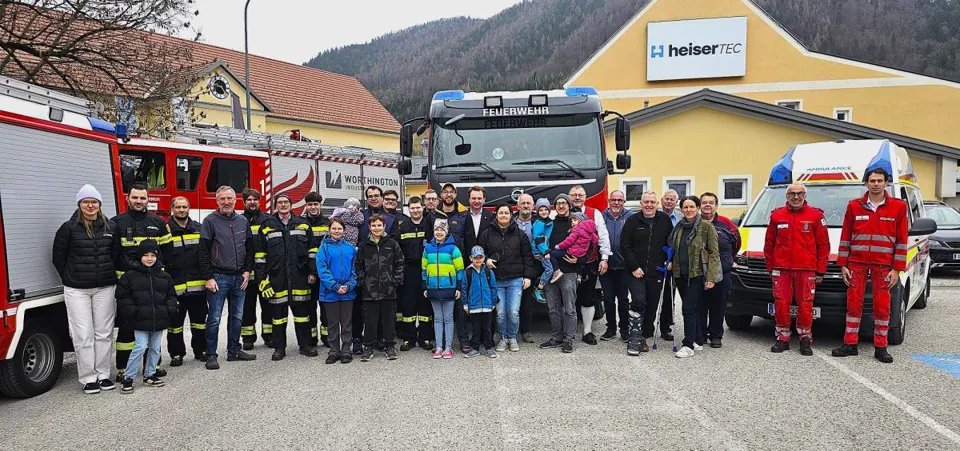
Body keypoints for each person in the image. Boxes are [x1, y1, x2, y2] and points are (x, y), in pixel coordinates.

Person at [833, 168, 908, 363]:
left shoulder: (898, 207)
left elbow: (901, 240)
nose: (876, 184)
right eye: (872, 181)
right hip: (856, 263)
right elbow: (845, 238)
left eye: (880, 181)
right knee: (853, 304)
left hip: (883, 265)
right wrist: (843, 265)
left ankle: (881, 347)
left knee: (882, 306)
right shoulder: (854, 206)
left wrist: (896, 269)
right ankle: (850, 344)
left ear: (886, 183)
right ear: (866, 183)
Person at [52, 184, 121, 394]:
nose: (90, 205)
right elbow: (58, 258)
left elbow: (116, 256)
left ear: (99, 204)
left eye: (94, 202)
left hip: (105, 287)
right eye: (86, 202)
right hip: (77, 290)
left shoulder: (110, 227)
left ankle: (103, 375)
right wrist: (70, 278)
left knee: (104, 333)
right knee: (83, 334)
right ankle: (88, 378)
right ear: (79, 204)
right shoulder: (68, 228)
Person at [111, 182, 173, 382]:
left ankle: (152, 366)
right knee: (127, 328)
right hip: (127, 284)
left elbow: (167, 251)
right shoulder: (116, 223)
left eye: (143, 198)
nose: (139, 201)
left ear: (148, 199)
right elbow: (114, 254)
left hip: (152, 283)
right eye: (135, 197)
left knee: (153, 324)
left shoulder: (158, 223)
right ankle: (123, 368)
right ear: (128, 198)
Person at [765, 184, 829, 356]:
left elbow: (823, 246)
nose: (796, 197)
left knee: (806, 305)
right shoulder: (777, 216)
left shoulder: (815, 215)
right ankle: (782, 338)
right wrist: (771, 268)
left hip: (806, 269)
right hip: (781, 269)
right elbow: (769, 244)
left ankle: (805, 338)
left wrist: (820, 271)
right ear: (786, 196)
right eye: (792, 194)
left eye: (799, 193)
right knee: (781, 303)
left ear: (804, 195)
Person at [255, 193, 318, 361]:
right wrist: (262, 281)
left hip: (300, 276)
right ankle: (279, 348)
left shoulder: (303, 225)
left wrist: (312, 272)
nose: (283, 205)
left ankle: (305, 346)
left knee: (302, 315)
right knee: (278, 317)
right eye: (280, 203)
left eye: (286, 202)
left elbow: (312, 251)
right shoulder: (267, 226)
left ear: (291, 205)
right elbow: (260, 256)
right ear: (275, 206)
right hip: (277, 279)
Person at [199, 186, 257, 370]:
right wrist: (208, 277)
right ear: (217, 201)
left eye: (229, 198)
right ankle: (211, 355)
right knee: (214, 318)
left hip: (239, 277)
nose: (226, 202)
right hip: (218, 276)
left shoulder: (242, 221)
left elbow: (249, 248)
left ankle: (234, 351)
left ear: (235, 200)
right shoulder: (210, 221)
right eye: (222, 199)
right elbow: (203, 251)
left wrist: (247, 271)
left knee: (237, 317)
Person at [115, 240, 178, 393]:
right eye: (145, 255)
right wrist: (132, 311)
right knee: (140, 347)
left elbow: (171, 295)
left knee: (156, 348)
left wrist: (168, 309)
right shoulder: (129, 276)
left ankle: (149, 375)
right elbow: (122, 296)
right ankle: (128, 377)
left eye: (153, 255)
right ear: (139, 256)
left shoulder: (164, 276)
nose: (149, 259)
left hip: (159, 319)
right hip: (139, 319)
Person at [478, 205, 536, 352]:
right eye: (500, 213)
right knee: (501, 312)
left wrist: (528, 276)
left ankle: (512, 337)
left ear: (511, 215)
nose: (503, 215)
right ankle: (503, 338)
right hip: (496, 279)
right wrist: (486, 260)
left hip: (515, 279)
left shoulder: (520, 234)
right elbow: (479, 253)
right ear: (496, 215)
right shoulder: (486, 234)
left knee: (514, 311)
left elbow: (528, 257)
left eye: (506, 213)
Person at [621, 191, 673, 355]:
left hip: (657, 271)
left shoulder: (664, 220)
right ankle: (636, 337)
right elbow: (625, 245)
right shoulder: (632, 221)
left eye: (652, 202)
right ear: (641, 203)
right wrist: (634, 266)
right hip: (636, 271)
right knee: (638, 301)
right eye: (646, 202)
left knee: (652, 305)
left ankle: (644, 332)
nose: (649, 205)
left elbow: (670, 243)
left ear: (657, 203)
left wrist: (670, 260)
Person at [668, 196, 720, 359]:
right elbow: (676, 249)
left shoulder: (706, 227)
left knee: (688, 309)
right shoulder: (679, 227)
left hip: (696, 275)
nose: (688, 210)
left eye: (691, 207)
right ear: (681, 209)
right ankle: (698, 338)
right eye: (685, 207)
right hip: (680, 274)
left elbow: (714, 253)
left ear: (697, 208)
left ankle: (688, 344)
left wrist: (710, 277)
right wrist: (671, 262)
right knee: (694, 308)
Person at [165, 197, 208, 367]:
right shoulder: (165, 230)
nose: (181, 210)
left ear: (189, 208)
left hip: (197, 287)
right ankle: (176, 354)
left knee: (199, 323)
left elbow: (205, 255)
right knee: (175, 325)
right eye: (178, 207)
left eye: (184, 207)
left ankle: (201, 350)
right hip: (175, 287)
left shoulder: (198, 228)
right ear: (172, 209)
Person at [356, 214, 405, 361]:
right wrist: (362, 280)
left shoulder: (392, 243)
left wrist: (395, 280)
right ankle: (368, 347)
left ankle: (390, 346)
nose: (376, 228)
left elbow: (400, 263)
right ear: (369, 227)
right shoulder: (364, 245)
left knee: (389, 320)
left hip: (388, 290)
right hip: (369, 291)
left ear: (384, 227)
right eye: (374, 225)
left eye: (379, 225)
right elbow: (358, 265)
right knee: (370, 320)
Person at [697, 192, 742, 349]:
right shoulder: (694, 222)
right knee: (699, 305)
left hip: (722, 272)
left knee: (719, 305)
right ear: (700, 206)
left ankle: (716, 335)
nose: (707, 205)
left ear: (716, 205)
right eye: (704, 202)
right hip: (699, 272)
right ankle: (700, 334)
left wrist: (726, 262)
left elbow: (736, 245)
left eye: (711, 202)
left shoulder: (727, 224)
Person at [539, 194, 583, 353]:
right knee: (552, 308)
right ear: (554, 206)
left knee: (569, 308)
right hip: (550, 271)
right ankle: (556, 338)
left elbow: (587, 243)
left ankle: (568, 340)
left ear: (569, 205)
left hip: (569, 272)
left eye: (564, 203)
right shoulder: (549, 223)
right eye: (558, 203)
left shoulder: (576, 223)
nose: (561, 206)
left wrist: (579, 261)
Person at [454, 186, 494, 353]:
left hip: (487, 265)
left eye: (480, 198)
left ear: (484, 200)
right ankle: (466, 340)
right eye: (473, 198)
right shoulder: (462, 217)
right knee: (464, 304)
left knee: (487, 303)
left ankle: (488, 339)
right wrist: (465, 263)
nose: (477, 201)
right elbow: (460, 239)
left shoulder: (491, 217)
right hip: (466, 266)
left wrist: (490, 259)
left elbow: (495, 239)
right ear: (468, 200)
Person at [568, 185, 611, 335]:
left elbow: (603, 237)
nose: (577, 198)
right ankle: (568, 332)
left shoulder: (595, 213)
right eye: (574, 195)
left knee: (588, 297)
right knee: (567, 298)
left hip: (589, 263)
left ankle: (587, 331)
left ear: (585, 196)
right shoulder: (562, 213)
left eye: (580, 194)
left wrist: (604, 258)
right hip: (568, 264)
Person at [315, 218, 358, 364]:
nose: (337, 231)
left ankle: (346, 350)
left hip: (348, 292)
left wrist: (349, 285)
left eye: (339, 229)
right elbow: (322, 270)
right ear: (329, 230)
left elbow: (355, 269)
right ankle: (334, 351)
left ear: (344, 231)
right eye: (334, 228)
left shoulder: (350, 249)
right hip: (330, 293)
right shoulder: (323, 248)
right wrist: (335, 286)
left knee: (346, 323)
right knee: (332, 323)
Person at [422, 219, 465, 359]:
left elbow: (460, 270)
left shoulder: (453, 249)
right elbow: (424, 269)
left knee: (448, 318)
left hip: (449, 287)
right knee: (438, 318)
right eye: (436, 230)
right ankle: (439, 347)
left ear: (446, 232)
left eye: (442, 230)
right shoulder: (427, 249)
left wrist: (458, 286)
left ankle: (448, 347)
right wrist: (425, 285)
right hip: (433, 287)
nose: (439, 232)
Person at [395, 196, 433, 351]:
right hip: (408, 270)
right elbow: (397, 251)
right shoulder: (402, 227)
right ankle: (408, 338)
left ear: (422, 208)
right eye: (412, 208)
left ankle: (425, 338)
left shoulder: (429, 226)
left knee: (425, 304)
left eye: (418, 207)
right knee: (408, 305)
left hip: (425, 270)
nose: (415, 210)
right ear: (408, 210)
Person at [599, 190, 634, 342]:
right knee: (607, 299)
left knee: (624, 300)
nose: (616, 203)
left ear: (624, 202)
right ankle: (610, 328)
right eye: (614, 200)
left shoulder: (631, 216)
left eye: (620, 200)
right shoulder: (601, 216)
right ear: (609, 200)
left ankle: (624, 329)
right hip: (606, 265)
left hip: (624, 266)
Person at [240, 189, 272, 350]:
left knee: (268, 305)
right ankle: (248, 337)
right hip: (245, 272)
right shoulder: (239, 220)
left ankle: (269, 335)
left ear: (260, 201)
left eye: (255, 199)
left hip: (264, 273)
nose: (252, 202)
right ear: (244, 202)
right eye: (249, 200)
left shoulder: (268, 220)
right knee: (247, 307)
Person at [302, 191, 331, 348]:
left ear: (320, 205)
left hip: (325, 274)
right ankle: (312, 338)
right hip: (308, 275)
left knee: (325, 308)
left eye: (316, 204)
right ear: (306, 206)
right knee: (309, 307)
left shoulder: (328, 223)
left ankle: (326, 337)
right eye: (310, 204)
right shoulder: (300, 224)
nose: (313, 207)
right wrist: (310, 272)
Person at [461, 246, 499, 359]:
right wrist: (465, 304)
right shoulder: (467, 272)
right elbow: (464, 289)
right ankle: (475, 349)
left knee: (487, 329)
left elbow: (493, 287)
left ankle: (489, 348)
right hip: (473, 306)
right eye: (475, 257)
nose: (478, 259)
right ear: (470, 258)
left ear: (484, 258)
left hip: (487, 306)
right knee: (476, 329)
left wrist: (493, 302)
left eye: (480, 257)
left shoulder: (488, 271)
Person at [514, 193, 539, 343]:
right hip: (513, 264)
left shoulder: (538, 222)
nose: (525, 206)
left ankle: (526, 330)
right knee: (511, 301)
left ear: (533, 206)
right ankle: (511, 332)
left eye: (528, 203)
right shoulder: (510, 221)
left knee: (527, 300)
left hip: (532, 265)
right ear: (517, 206)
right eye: (522, 203)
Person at [531, 198, 554, 301]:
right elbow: (538, 239)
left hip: (544, 249)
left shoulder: (548, 221)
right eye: (541, 210)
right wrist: (545, 251)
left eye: (545, 209)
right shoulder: (539, 223)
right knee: (549, 270)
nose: (544, 212)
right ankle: (538, 288)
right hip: (540, 250)